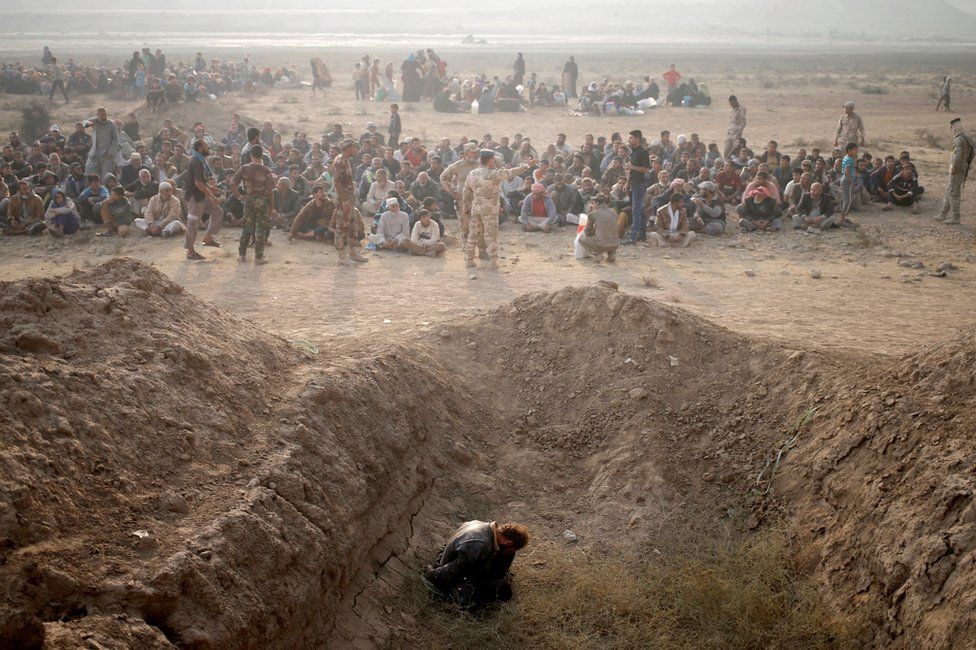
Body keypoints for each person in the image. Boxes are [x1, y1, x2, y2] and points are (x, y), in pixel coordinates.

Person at [422, 520, 530, 609]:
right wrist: (433, 574)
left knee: (507, 556)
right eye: (511, 548)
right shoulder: (479, 544)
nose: (510, 552)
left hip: (462, 563)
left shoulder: (484, 527)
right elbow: (455, 569)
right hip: (450, 574)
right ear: (508, 543)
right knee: (503, 590)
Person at [462, 150, 530, 268]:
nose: (495, 161)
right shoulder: (493, 173)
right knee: (491, 234)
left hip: (476, 208)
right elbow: (510, 173)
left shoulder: (472, 173)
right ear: (489, 160)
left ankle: (469, 259)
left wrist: (465, 205)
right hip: (490, 210)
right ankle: (493, 261)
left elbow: (466, 190)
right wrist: (525, 166)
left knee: (473, 233)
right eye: (494, 159)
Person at [230, 144, 275, 264]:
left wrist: (240, 196)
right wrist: (271, 207)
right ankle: (258, 257)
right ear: (262, 156)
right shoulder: (266, 171)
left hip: (248, 200)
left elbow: (232, 184)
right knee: (260, 229)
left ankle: (242, 255)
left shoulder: (244, 168)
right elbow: (270, 192)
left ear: (251, 155)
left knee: (247, 228)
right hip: (262, 201)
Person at [184, 138, 224, 260]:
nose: (208, 148)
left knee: (217, 212)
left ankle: (208, 239)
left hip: (200, 196)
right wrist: (211, 195)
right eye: (206, 146)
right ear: (200, 148)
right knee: (193, 224)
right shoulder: (196, 162)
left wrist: (212, 189)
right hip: (195, 198)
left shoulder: (199, 160)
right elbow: (198, 183)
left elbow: (201, 182)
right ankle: (190, 252)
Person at [333, 138, 369, 265]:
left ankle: (353, 252)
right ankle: (341, 256)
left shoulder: (345, 160)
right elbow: (337, 182)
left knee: (353, 225)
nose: (355, 149)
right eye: (353, 147)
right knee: (342, 226)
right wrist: (344, 202)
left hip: (349, 198)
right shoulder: (340, 162)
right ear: (348, 148)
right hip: (344, 199)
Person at [935, 117, 974, 225]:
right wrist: (966, 163)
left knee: (954, 192)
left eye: (952, 127)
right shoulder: (967, 137)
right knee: (950, 190)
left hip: (957, 169)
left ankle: (955, 217)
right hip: (963, 167)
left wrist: (955, 167)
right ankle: (943, 214)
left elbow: (957, 155)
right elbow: (973, 151)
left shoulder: (958, 139)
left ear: (954, 127)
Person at [440, 143, 480, 244]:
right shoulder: (457, 166)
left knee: (479, 224)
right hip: (463, 200)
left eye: (476, 152)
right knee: (465, 225)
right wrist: (451, 191)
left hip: (478, 199)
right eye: (473, 152)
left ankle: (481, 249)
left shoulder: (480, 165)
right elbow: (443, 177)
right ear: (466, 153)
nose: (476, 154)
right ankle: (466, 247)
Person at [624, 130, 650, 244]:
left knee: (636, 211)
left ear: (637, 139)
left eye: (631, 138)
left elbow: (645, 169)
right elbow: (630, 170)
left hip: (640, 184)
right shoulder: (632, 153)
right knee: (639, 210)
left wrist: (633, 167)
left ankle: (633, 237)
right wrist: (627, 183)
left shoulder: (643, 152)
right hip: (634, 184)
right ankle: (642, 234)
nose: (629, 140)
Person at [578, 193, 618, 261]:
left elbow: (587, 232)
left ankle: (597, 254)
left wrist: (589, 212)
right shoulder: (613, 212)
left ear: (597, 203)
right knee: (608, 234)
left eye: (593, 203)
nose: (593, 205)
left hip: (601, 244)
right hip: (615, 244)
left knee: (581, 238)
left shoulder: (593, 214)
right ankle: (612, 254)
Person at [85, 108, 120, 178]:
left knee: (106, 177)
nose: (103, 117)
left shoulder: (111, 124)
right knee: (90, 176)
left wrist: (111, 152)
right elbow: (84, 123)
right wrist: (89, 123)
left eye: (104, 115)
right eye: (101, 115)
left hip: (106, 155)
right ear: (97, 115)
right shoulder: (95, 122)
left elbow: (115, 139)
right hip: (94, 154)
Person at [840, 143, 858, 217]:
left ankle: (844, 215)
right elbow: (846, 172)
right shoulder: (849, 160)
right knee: (847, 199)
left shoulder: (847, 158)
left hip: (846, 179)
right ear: (849, 150)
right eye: (855, 150)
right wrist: (852, 182)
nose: (856, 152)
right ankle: (843, 216)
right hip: (847, 180)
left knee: (847, 198)